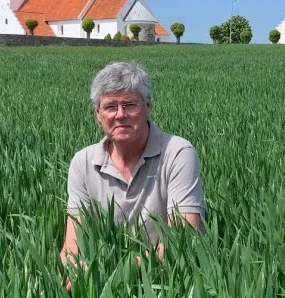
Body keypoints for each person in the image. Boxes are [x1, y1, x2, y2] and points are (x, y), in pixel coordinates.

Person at [60, 61, 205, 274]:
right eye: (110, 106)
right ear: (97, 115)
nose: (120, 114)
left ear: (148, 107)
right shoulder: (83, 162)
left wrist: (115, 270)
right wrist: (79, 272)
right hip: (102, 285)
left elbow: (184, 239)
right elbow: (71, 245)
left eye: (129, 104)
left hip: (168, 279)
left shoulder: (177, 152)